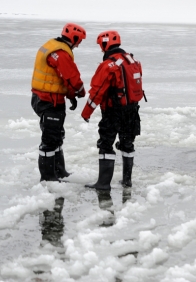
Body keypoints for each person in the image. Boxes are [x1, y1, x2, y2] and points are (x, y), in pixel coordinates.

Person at [82, 30, 144, 191]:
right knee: (127, 143)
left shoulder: (109, 65)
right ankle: (127, 180)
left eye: (101, 46)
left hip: (113, 111)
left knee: (106, 144)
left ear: (105, 44)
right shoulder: (132, 60)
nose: (101, 50)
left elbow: (97, 91)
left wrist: (86, 112)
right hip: (132, 110)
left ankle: (103, 183)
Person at [31, 23, 87, 181]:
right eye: (79, 41)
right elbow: (71, 77)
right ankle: (48, 178)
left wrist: (70, 96)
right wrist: (79, 93)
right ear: (74, 38)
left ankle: (60, 171)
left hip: (43, 98)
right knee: (50, 139)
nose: (79, 44)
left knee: (56, 135)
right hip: (49, 100)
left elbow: (60, 78)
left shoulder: (51, 45)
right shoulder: (60, 53)